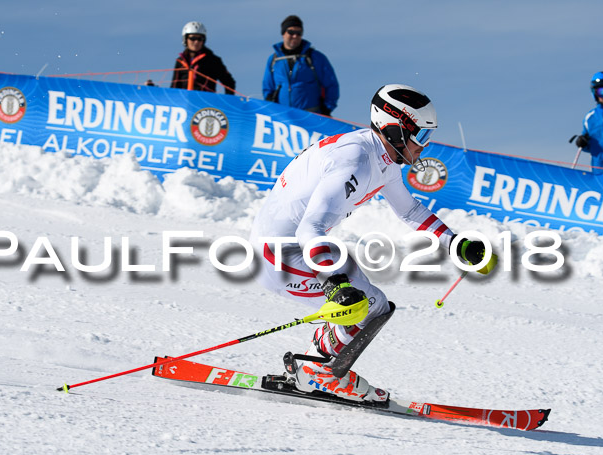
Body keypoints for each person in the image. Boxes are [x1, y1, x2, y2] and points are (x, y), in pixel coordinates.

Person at [249, 84, 497, 402]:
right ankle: (318, 373)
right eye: (420, 136)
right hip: (277, 255)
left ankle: (312, 369)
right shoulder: (354, 161)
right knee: (368, 306)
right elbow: (310, 228)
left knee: (369, 302)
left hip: (291, 250)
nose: (424, 146)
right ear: (394, 129)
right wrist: (334, 282)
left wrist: (453, 243)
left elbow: (409, 210)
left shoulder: (382, 159)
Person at [262, 15, 339, 116]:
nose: (295, 36)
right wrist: (271, 108)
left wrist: (326, 109)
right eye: (291, 32)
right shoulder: (274, 60)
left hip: (311, 117)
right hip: (283, 119)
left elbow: (331, 85)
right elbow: (268, 88)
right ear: (283, 33)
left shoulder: (315, 58)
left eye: (299, 33)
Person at [572, 71, 603, 179]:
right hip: (598, 172)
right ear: (594, 93)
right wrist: (583, 142)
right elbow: (589, 147)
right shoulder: (590, 118)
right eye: (602, 92)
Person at [169, 21, 236, 95]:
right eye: (192, 38)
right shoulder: (180, 61)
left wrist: (226, 101)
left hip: (204, 102)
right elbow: (174, 86)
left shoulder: (213, 60)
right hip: (184, 101)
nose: (196, 42)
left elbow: (229, 82)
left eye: (199, 39)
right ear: (185, 40)